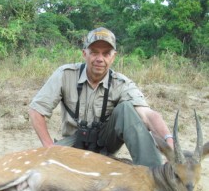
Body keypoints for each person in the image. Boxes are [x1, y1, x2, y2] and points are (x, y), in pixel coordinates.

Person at [29, 27, 173, 167]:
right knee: (40, 167)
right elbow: (36, 110)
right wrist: (49, 148)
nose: (99, 59)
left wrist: (170, 143)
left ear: (113, 57)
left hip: (105, 144)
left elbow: (148, 116)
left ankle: (153, 172)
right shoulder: (65, 74)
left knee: (126, 109)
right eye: (94, 52)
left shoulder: (121, 83)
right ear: (84, 53)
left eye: (106, 53)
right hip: (73, 142)